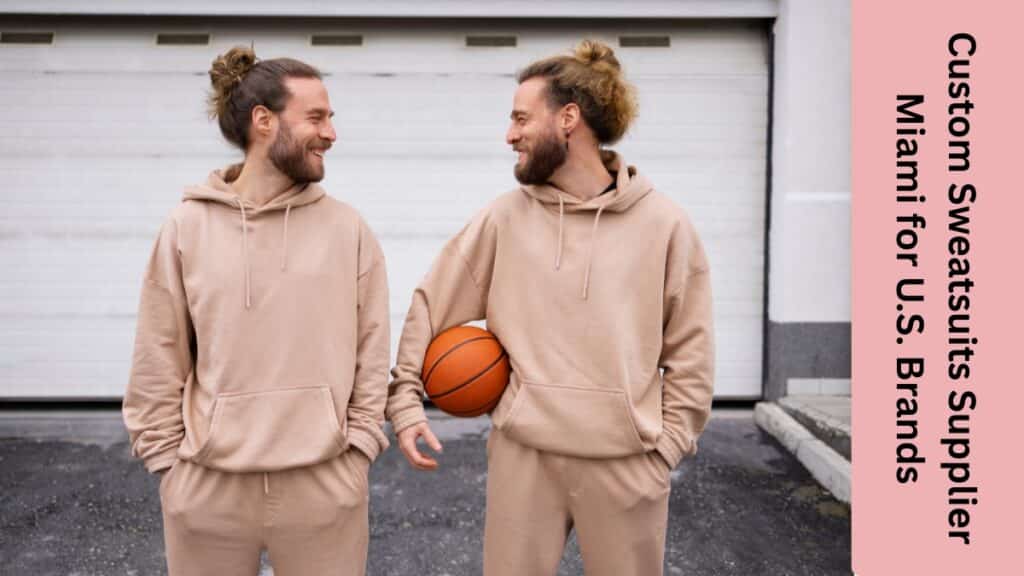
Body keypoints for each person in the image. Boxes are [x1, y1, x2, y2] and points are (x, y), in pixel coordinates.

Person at [386, 39, 716, 576]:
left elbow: (692, 352)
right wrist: (404, 402)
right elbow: (431, 303)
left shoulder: (665, 225)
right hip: (526, 457)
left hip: (626, 462)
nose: (509, 134)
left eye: (520, 118)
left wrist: (667, 450)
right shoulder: (503, 218)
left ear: (569, 118)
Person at [122, 46, 389, 576]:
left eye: (331, 117)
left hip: (324, 484)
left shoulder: (348, 229)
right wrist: (168, 467)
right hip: (207, 488)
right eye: (316, 117)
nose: (331, 133)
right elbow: (159, 351)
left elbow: (372, 348)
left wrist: (357, 451)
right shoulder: (186, 227)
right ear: (263, 121)